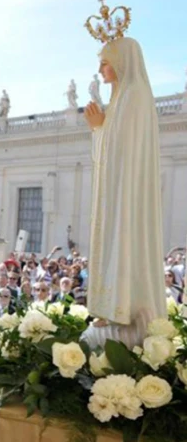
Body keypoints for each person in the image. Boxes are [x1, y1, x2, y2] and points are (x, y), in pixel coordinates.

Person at [81, 37, 166, 349]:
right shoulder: (121, 97)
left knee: (124, 238)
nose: (100, 69)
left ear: (122, 62)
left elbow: (124, 151)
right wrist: (100, 128)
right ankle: (110, 307)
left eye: (105, 62)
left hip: (126, 193)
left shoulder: (135, 95)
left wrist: (100, 128)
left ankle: (123, 308)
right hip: (116, 191)